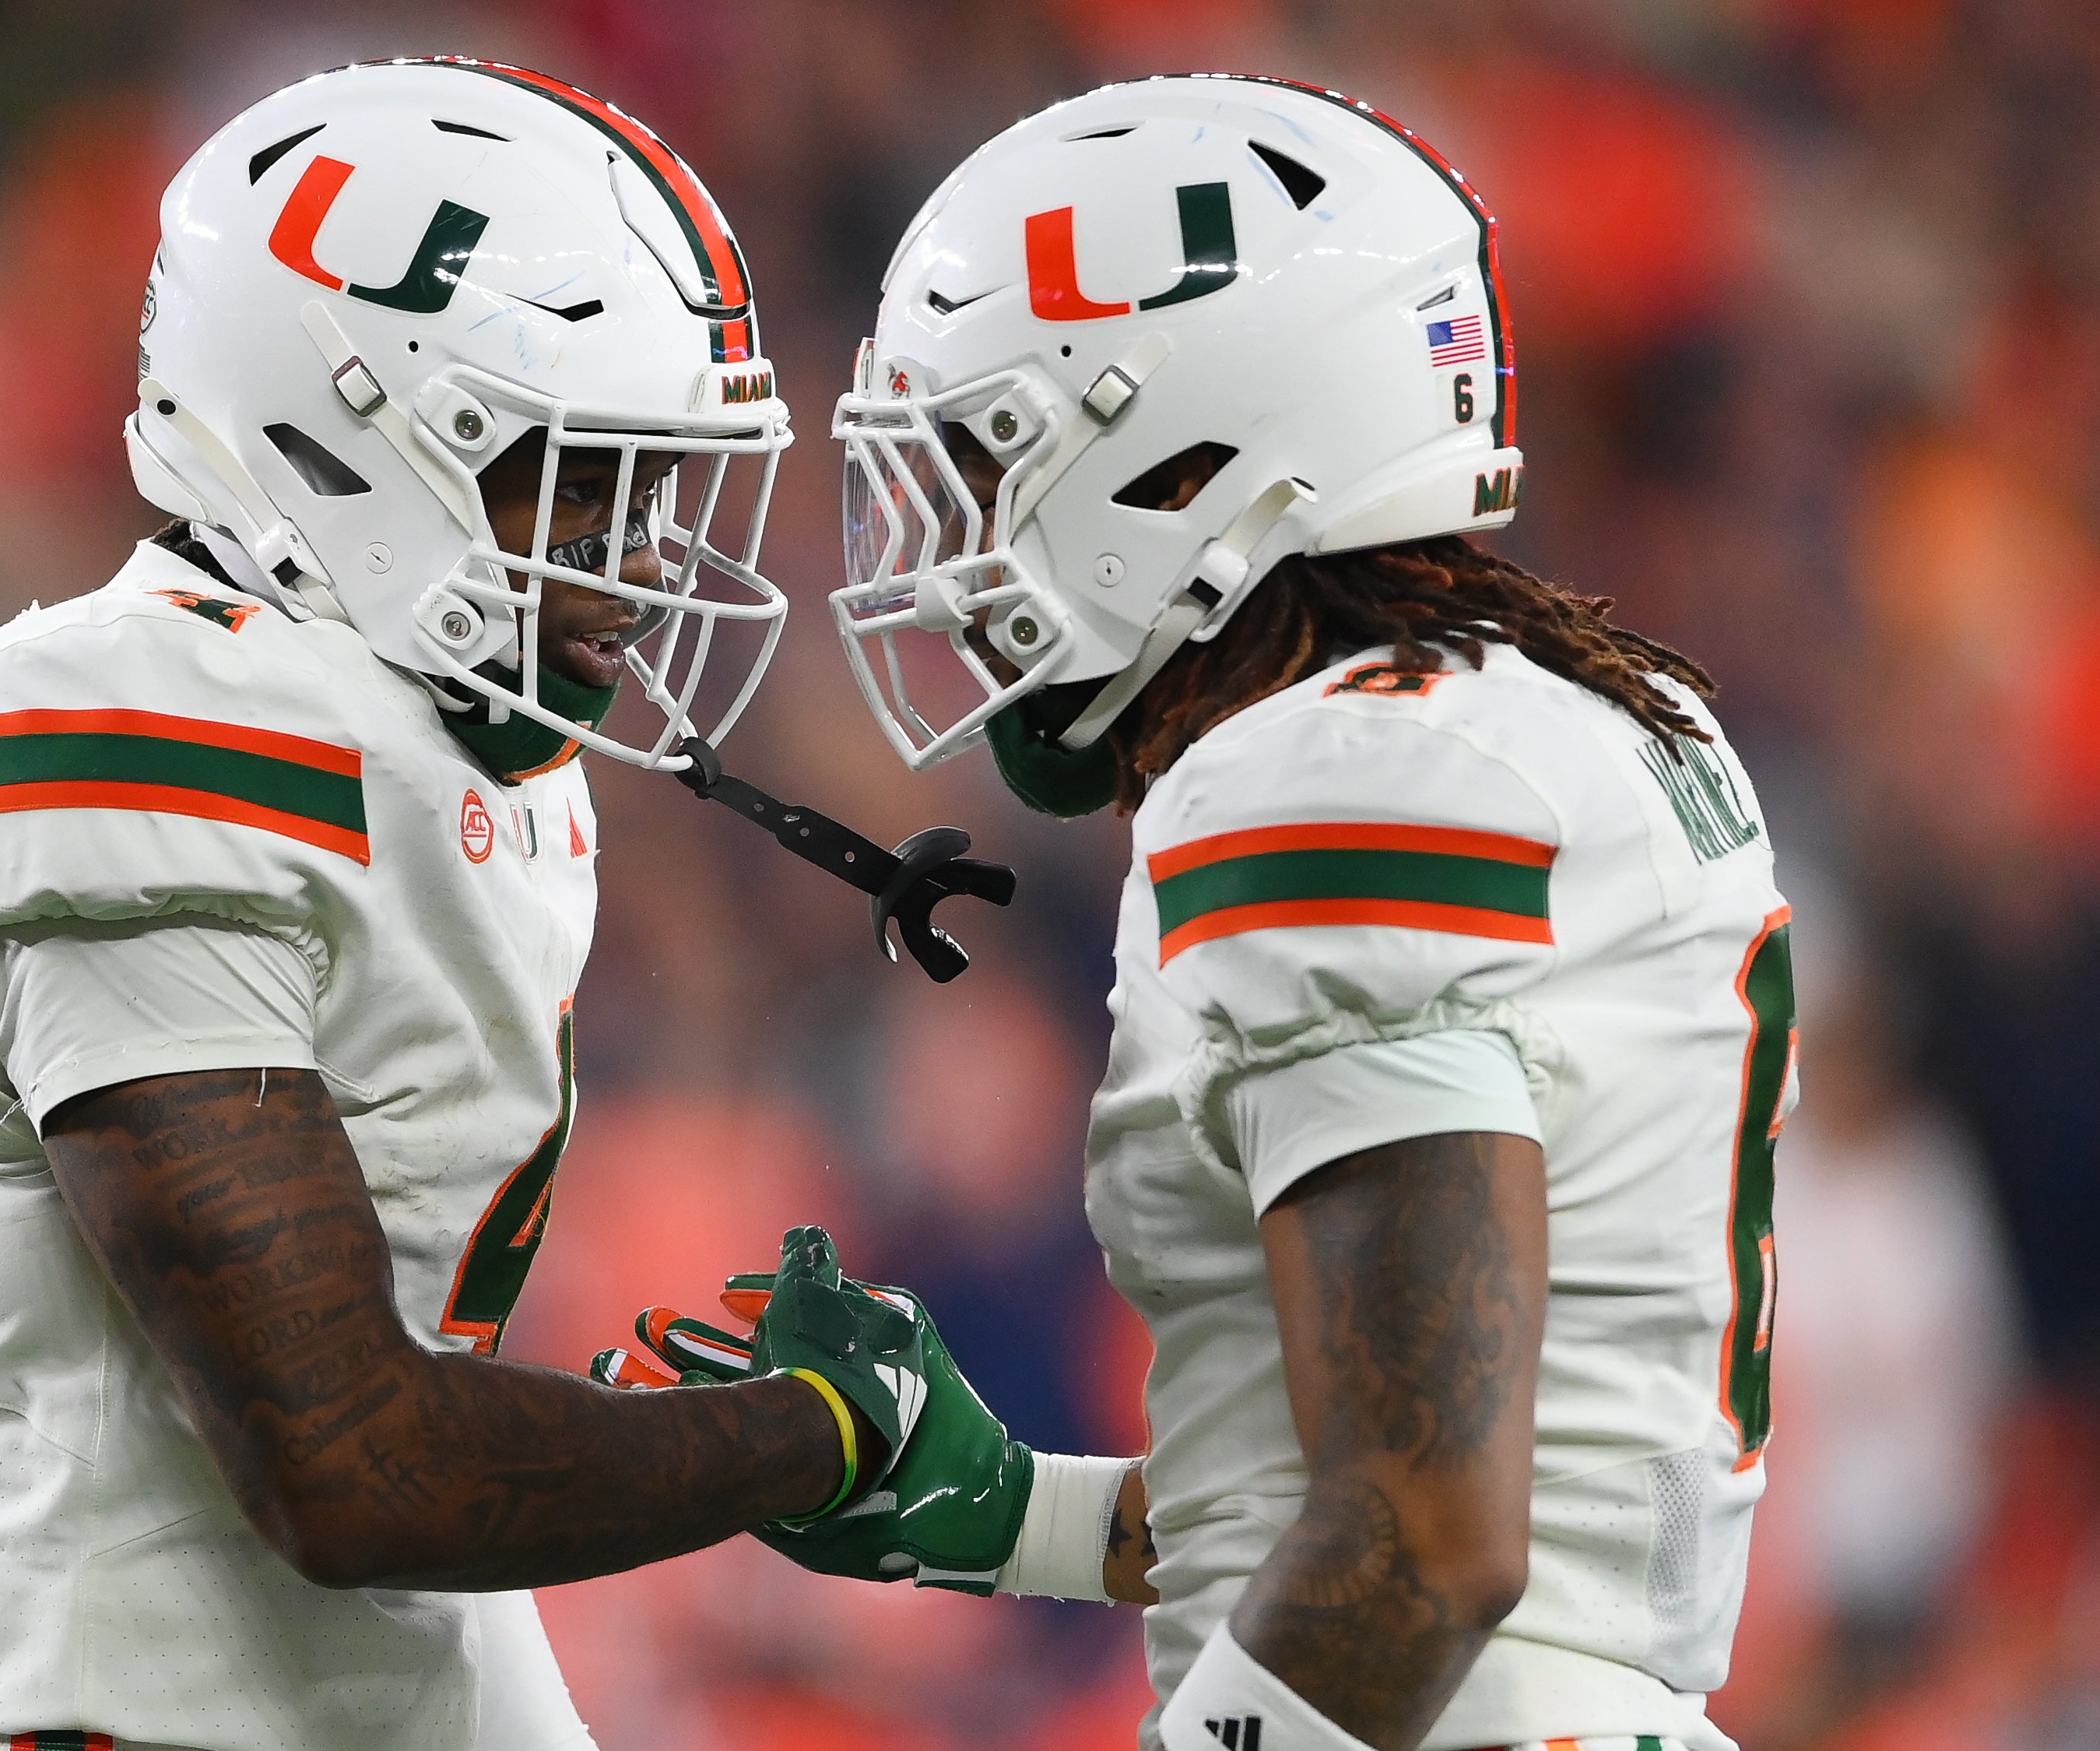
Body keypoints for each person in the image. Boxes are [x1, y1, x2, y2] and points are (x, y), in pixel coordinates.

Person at [605, 75, 1791, 1751]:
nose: (942, 560)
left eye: (985, 465)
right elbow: (1410, 1470)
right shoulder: (1555, 720)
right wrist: (1016, 1511)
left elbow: (1424, 1544)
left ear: (1182, 465)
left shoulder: (1327, 770)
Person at [0, 58, 946, 1751]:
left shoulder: (450, 756)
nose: (645, 558)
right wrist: (814, 1429)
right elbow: (347, 1466)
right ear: (349, 435)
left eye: (658, 490)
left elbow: (410, 1503)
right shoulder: (126, 720)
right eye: (586, 482)